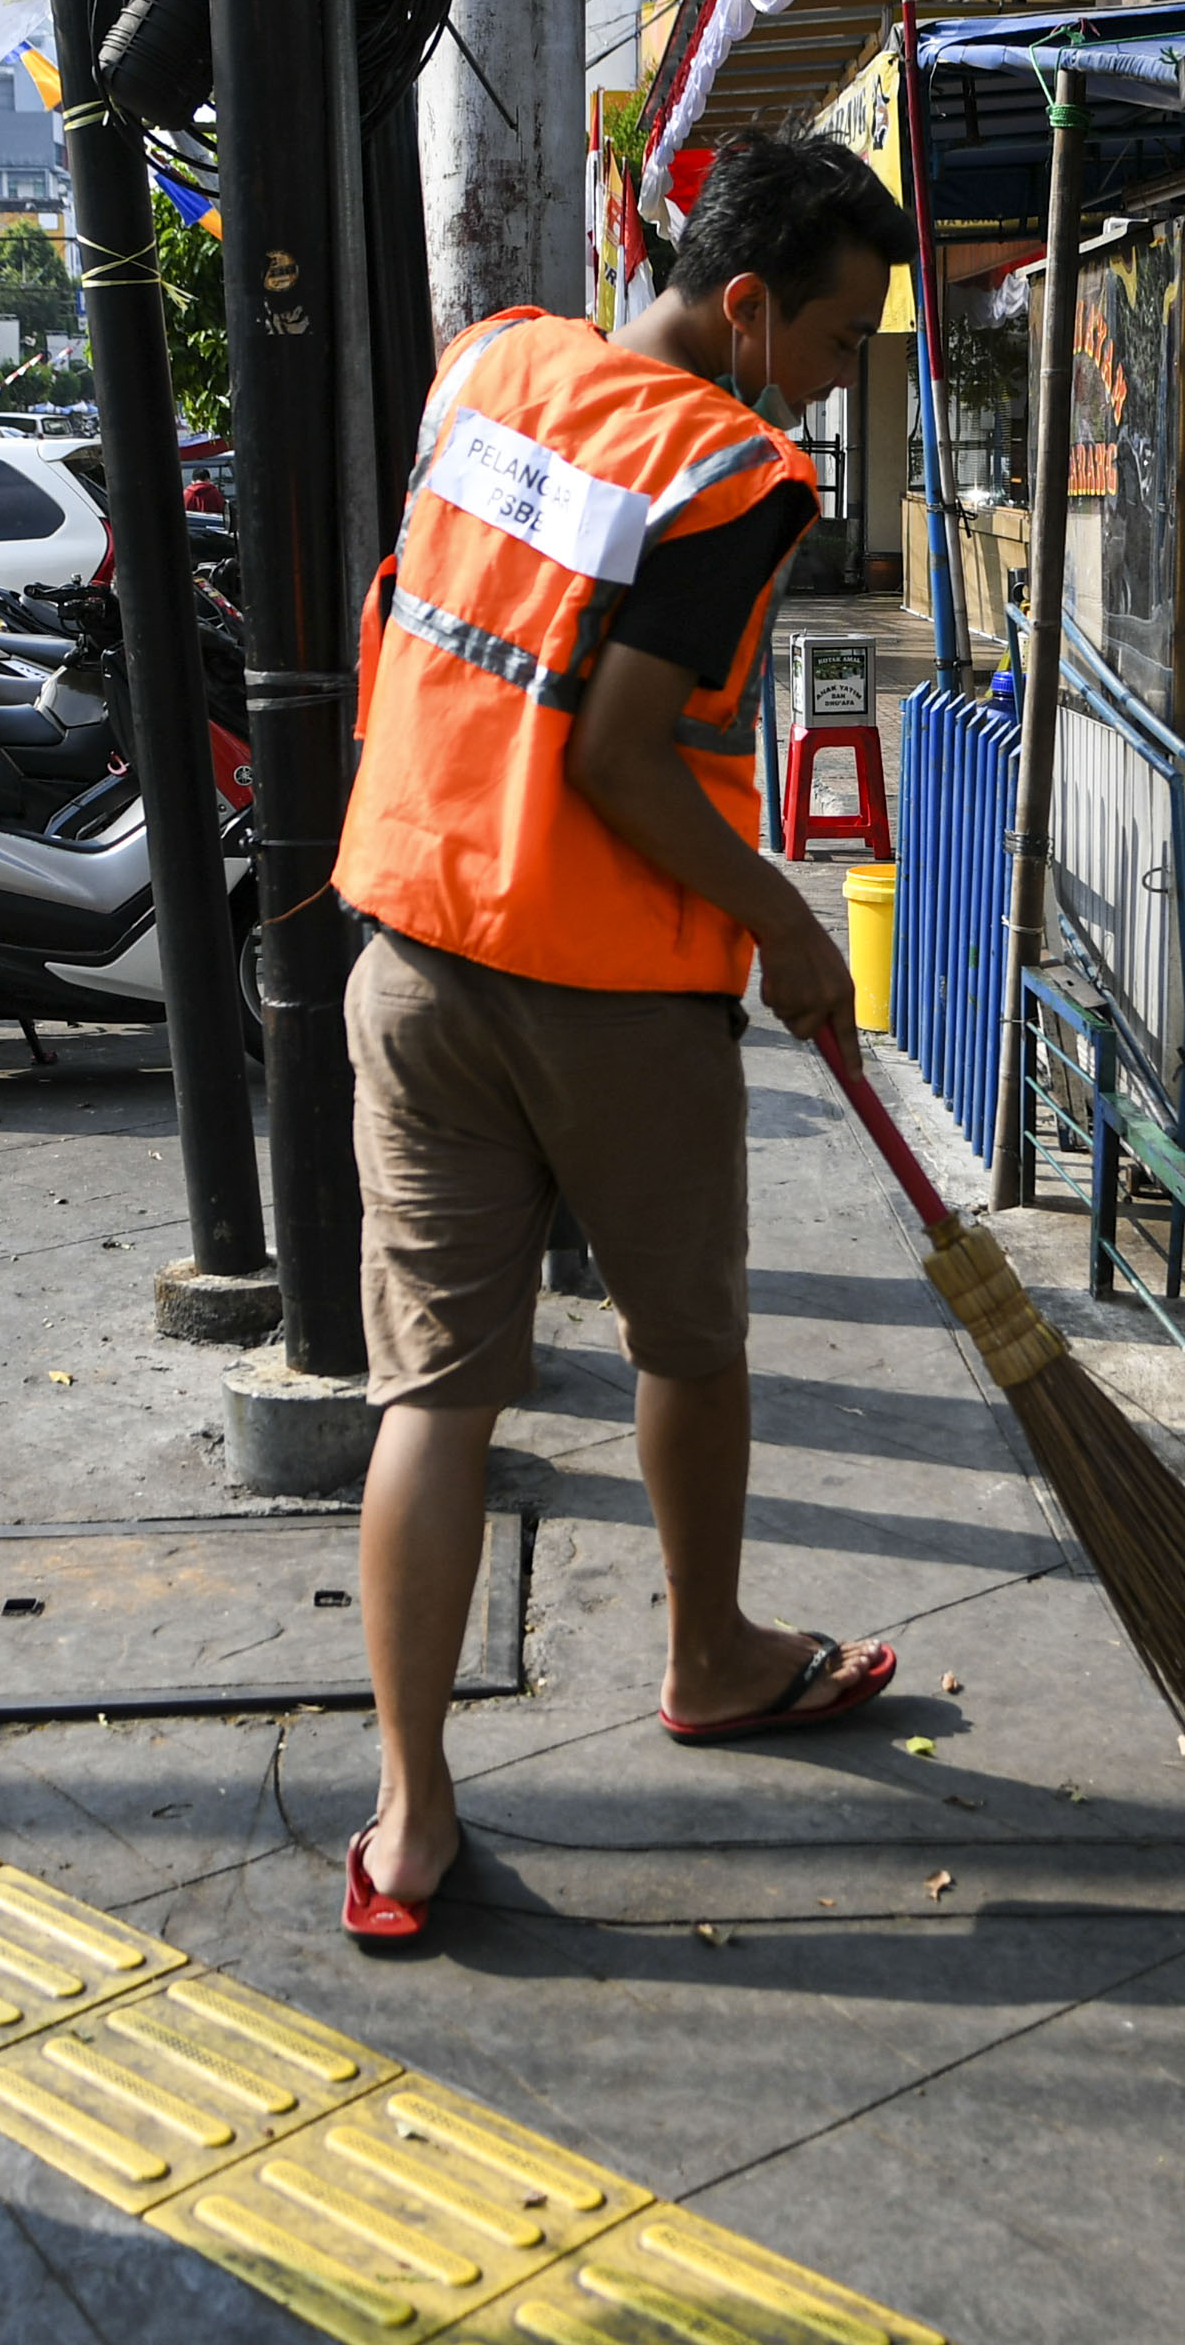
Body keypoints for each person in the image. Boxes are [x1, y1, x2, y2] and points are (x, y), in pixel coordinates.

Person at [331, 133, 910, 1938]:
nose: (834, 375)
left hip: (414, 949)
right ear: (744, 305)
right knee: (690, 1335)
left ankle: (410, 1815)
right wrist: (781, 912)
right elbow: (615, 753)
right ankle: (714, 1652)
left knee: (435, 1392)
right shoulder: (733, 472)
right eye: (830, 336)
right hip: (609, 987)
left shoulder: (489, 365)